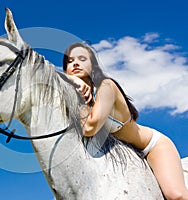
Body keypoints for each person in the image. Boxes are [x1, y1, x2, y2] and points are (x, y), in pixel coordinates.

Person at [63, 42, 188, 200]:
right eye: (69, 61)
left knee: (176, 195)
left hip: (151, 147)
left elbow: (89, 128)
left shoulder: (107, 86)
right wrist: (75, 83)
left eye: (82, 59)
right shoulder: (71, 99)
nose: (75, 63)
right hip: (124, 157)